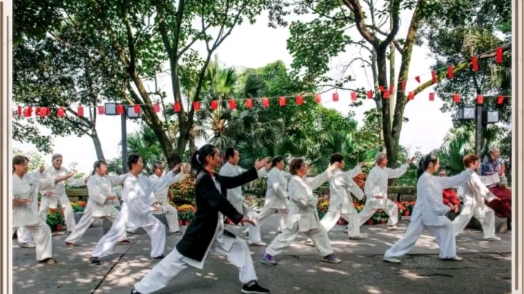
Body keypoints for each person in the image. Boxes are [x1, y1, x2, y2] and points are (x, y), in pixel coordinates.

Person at [130, 144, 271, 294]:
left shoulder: (213, 176)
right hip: (199, 234)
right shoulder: (203, 178)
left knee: (240, 246)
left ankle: (249, 283)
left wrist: (256, 169)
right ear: (209, 158)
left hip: (214, 231)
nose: (219, 158)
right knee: (172, 263)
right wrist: (239, 217)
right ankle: (139, 289)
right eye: (217, 155)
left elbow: (235, 181)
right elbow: (218, 200)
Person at [383, 153, 477, 264]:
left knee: (449, 226)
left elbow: (452, 180)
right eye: (438, 162)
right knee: (410, 238)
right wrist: (447, 208)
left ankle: (448, 254)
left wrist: (470, 171)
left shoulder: (432, 178)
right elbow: (431, 200)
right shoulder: (425, 180)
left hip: (431, 213)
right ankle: (390, 254)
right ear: (431, 164)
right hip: (423, 214)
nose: (439, 164)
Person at [89, 154, 182, 264]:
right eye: (140, 162)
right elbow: (134, 202)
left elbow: (159, 183)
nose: (142, 164)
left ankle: (157, 253)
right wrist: (150, 208)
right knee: (115, 233)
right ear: (133, 165)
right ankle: (95, 254)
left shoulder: (143, 179)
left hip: (143, 213)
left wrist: (173, 171)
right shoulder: (129, 181)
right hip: (129, 213)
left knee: (159, 228)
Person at [261, 158, 341, 265]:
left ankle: (327, 254)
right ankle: (268, 254)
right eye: (304, 165)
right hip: (298, 217)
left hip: (308, 217)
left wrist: (330, 170)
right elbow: (301, 201)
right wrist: (317, 199)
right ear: (297, 168)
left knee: (320, 232)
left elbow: (317, 180)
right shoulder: (295, 181)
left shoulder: (303, 180)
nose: (306, 167)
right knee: (286, 237)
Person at [12, 155, 75, 264]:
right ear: (15, 165)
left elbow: (46, 182)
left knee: (44, 229)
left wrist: (63, 178)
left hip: (29, 213)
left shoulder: (30, 178)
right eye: (23, 164)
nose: (26, 166)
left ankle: (44, 257)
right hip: (12, 214)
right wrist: (19, 200)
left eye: (27, 164)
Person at [65, 160, 131, 246]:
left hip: (107, 206)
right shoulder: (92, 179)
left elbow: (119, 178)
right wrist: (106, 198)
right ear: (97, 168)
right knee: (83, 224)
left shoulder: (108, 178)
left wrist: (131, 173)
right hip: (94, 207)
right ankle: (70, 240)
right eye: (104, 166)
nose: (106, 168)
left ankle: (122, 238)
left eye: (106, 166)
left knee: (119, 218)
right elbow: (93, 194)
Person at [219, 147, 268, 246]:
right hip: (228, 201)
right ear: (230, 157)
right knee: (218, 222)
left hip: (238, 200)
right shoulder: (224, 170)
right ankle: (212, 240)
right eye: (237, 156)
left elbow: (247, 174)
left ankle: (254, 240)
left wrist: (263, 169)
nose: (239, 158)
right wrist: (238, 198)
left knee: (253, 215)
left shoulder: (237, 168)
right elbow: (228, 187)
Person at [317, 154, 367, 241]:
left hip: (341, 201)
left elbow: (348, 175)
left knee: (353, 215)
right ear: (338, 163)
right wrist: (361, 195)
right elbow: (351, 185)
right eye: (342, 161)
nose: (344, 163)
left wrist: (358, 167)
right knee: (329, 220)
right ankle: (315, 237)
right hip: (340, 202)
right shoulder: (339, 173)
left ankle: (354, 234)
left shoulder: (333, 172)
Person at [358, 153, 413, 230]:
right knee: (365, 214)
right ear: (382, 161)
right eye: (386, 158)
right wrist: (373, 195)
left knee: (393, 207)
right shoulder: (374, 171)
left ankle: (392, 225)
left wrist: (407, 164)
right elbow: (368, 185)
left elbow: (396, 172)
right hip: (375, 198)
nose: (387, 160)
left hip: (382, 198)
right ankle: (351, 226)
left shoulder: (385, 170)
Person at [452, 155, 502, 241]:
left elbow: (482, 180)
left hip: (477, 202)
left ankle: (489, 234)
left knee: (489, 213)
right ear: (471, 163)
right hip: (471, 202)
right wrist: (492, 197)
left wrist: (497, 175)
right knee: (463, 218)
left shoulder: (470, 173)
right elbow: (480, 186)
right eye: (477, 162)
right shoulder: (470, 174)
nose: (478, 164)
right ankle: (446, 233)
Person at [39, 154, 89, 233]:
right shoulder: (47, 171)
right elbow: (40, 182)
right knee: (42, 211)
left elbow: (72, 182)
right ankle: (40, 230)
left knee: (68, 210)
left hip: (61, 193)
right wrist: (44, 192)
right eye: (57, 160)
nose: (59, 162)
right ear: (52, 161)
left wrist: (84, 180)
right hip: (49, 193)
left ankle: (72, 229)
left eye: (60, 160)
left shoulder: (64, 170)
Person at [149, 158, 187, 235]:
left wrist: (183, 172)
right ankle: (129, 229)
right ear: (154, 169)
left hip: (164, 203)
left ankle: (174, 230)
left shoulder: (165, 178)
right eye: (160, 168)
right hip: (152, 204)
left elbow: (175, 178)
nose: (162, 170)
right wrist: (154, 202)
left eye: (163, 168)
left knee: (172, 211)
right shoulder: (150, 179)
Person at [256, 156, 292, 233]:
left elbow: (289, 175)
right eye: (282, 163)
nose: (283, 164)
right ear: (277, 163)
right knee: (264, 215)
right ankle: (251, 228)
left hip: (281, 198)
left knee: (287, 211)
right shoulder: (273, 172)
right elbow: (276, 187)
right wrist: (285, 195)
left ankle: (283, 227)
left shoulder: (281, 172)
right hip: (273, 198)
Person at [480, 149, 512, 231]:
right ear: (490, 153)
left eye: (498, 153)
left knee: (511, 194)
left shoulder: (500, 163)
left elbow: (502, 175)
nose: (497, 154)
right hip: (489, 186)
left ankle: (509, 222)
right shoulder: (485, 163)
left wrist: (502, 179)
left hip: (499, 185)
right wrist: (498, 174)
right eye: (495, 153)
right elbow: (485, 177)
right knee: (501, 197)